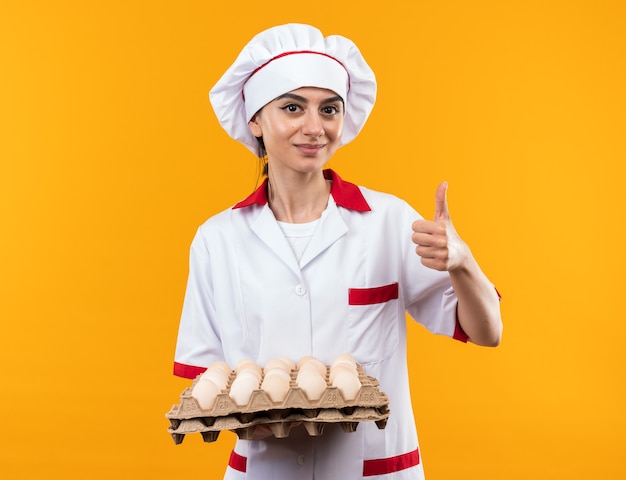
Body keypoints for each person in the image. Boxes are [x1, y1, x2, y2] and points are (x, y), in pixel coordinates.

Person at [173, 23, 502, 480]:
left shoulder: (387, 220)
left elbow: (487, 332)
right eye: (293, 108)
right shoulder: (217, 239)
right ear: (254, 120)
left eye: (329, 109)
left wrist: (464, 263)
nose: (315, 127)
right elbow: (207, 380)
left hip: (376, 469)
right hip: (266, 470)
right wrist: (253, 419)